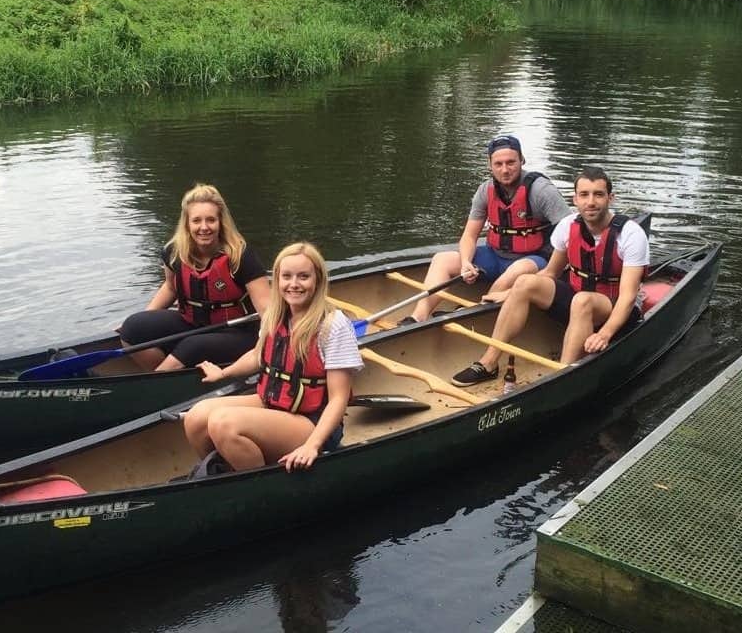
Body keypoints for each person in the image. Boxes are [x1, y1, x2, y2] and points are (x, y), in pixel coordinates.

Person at [450, 166, 650, 386]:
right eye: (584, 195)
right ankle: (488, 363)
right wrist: (510, 293)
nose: (590, 202)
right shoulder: (568, 226)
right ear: (575, 199)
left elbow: (628, 297)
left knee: (582, 301)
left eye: (598, 194)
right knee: (526, 281)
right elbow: (550, 273)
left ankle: (560, 377)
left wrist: (604, 334)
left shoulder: (630, 234)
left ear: (610, 198)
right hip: (578, 297)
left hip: (614, 306)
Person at [183, 242, 363, 472]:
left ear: (317, 280)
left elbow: (338, 398)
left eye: (303, 276)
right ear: (277, 280)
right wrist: (224, 373)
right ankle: (227, 471)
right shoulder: (275, 315)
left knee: (223, 424)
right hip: (274, 403)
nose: (294, 284)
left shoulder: (333, 324)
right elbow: (259, 356)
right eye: (286, 276)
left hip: (312, 421)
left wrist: (312, 445)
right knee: (196, 418)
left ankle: (258, 484)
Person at [400, 134, 572, 329]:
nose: (505, 170)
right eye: (498, 164)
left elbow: (571, 231)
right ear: (489, 165)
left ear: (522, 160)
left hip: (534, 258)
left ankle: (473, 312)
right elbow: (470, 235)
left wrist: (559, 268)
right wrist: (465, 263)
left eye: (511, 163)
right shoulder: (485, 190)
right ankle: (418, 317)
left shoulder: (541, 190)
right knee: (442, 259)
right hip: (495, 256)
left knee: (518, 269)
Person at [119, 183, 270, 372]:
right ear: (187, 223)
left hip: (240, 331)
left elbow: (267, 309)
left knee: (192, 346)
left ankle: (152, 385)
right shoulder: (173, 252)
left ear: (221, 222)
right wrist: (145, 316)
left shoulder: (240, 256)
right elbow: (170, 288)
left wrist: (268, 348)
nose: (204, 227)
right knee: (132, 327)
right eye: (197, 221)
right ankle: (170, 378)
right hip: (193, 323)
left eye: (211, 220)